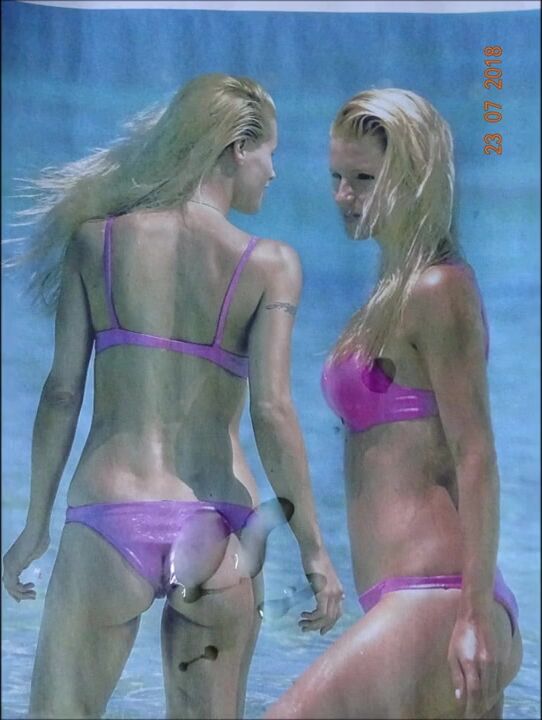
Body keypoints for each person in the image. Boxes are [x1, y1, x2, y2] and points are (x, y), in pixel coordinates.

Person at [1, 73, 343, 720]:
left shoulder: (94, 242)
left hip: (110, 516)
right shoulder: (270, 265)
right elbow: (272, 411)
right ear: (237, 147)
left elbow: (61, 393)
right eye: (270, 153)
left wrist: (34, 526)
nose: (273, 172)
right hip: (219, 533)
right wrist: (314, 549)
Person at [264, 88, 523, 720]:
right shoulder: (391, 291)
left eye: (363, 179)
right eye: (336, 177)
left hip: (440, 600)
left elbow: (476, 454)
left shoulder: (439, 288)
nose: (343, 196)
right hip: (410, 605)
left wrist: (472, 616)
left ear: (414, 177)